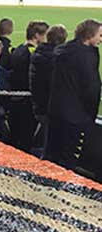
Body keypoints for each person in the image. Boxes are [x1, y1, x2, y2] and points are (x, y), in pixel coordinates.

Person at [48, 19, 101, 169]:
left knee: (53, 154)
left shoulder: (63, 51)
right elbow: (91, 88)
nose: (101, 39)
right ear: (90, 35)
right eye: (100, 35)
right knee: (68, 158)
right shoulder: (86, 56)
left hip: (56, 111)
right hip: (75, 116)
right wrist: (90, 115)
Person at [9, 20, 49, 151]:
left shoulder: (17, 49)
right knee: (25, 140)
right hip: (27, 102)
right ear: (37, 35)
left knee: (15, 138)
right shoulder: (33, 54)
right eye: (45, 35)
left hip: (15, 100)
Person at [30, 24, 67, 159]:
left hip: (39, 103)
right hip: (51, 107)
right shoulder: (56, 59)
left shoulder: (38, 53)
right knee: (50, 146)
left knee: (45, 139)